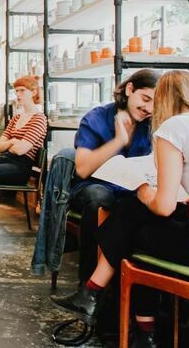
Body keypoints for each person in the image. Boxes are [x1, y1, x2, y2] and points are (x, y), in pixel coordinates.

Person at [52, 71, 189, 348]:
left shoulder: (175, 128)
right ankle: (118, 312)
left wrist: (144, 190)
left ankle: (99, 299)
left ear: (164, 101)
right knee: (136, 216)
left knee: (136, 223)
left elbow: (163, 206)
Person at [69, 69, 158, 282]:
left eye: (155, 104)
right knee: (100, 197)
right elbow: (82, 169)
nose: (148, 108)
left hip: (132, 192)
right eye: (145, 99)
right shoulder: (96, 118)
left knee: (153, 206)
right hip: (92, 189)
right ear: (129, 89)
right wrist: (118, 141)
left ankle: (142, 295)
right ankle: (88, 286)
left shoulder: (152, 125)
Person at [0, 75, 47, 198]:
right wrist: (13, 141)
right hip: (6, 158)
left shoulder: (39, 119)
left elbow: (20, 150)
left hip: (21, 167)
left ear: (33, 92)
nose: (18, 94)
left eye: (22, 90)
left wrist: (11, 145)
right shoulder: (16, 118)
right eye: (16, 91)